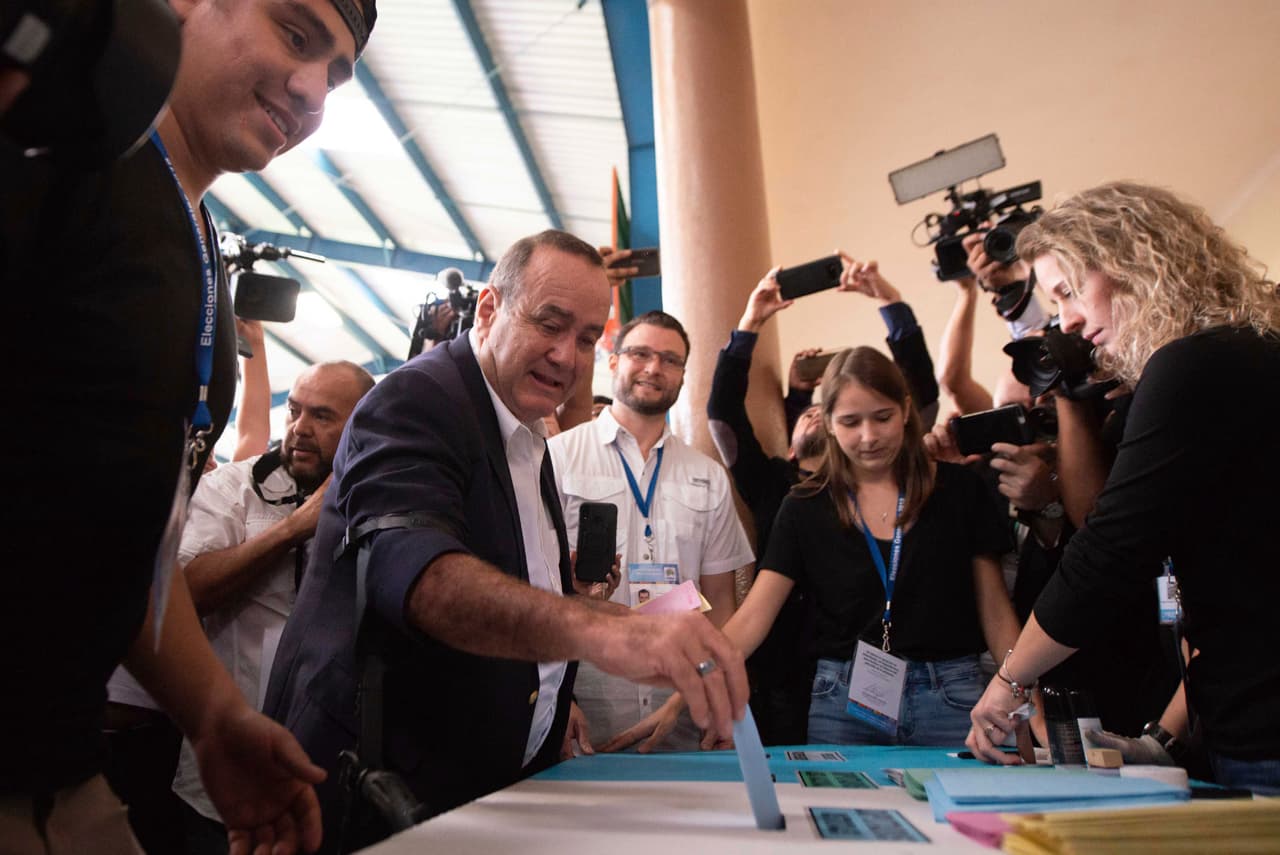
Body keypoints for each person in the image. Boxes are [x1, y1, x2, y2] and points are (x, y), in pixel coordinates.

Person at [0, 0, 377, 852]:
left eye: (338, 73)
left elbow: (126, 545)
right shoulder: (58, 152)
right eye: (295, 34)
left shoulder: (202, 247)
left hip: (65, 774)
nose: (314, 88)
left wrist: (212, 712)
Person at [263, 230, 748, 853]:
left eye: (584, 339)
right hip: (388, 792)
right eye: (550, 324)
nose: (568, 358)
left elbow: (530, 589)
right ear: (489, 309)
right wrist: (608, 633)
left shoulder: (525, 436)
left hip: (489, 783)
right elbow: (420, 577)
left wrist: (566, 676)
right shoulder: (417, 400)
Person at [966, 181, 1280, 794]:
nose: (1068, 322)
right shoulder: (1249, 350)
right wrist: (1163, 739)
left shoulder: (1190, 364)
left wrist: (1010, 681)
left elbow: (1109, 549)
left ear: (1134, 262)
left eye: (1069, 291)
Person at [664, 347, 1020, 747]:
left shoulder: (959, 490)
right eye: (850, 422)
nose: (868, 437)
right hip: (843, 699)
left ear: (905, 410)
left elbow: (995, 611)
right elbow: (753, 618)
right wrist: (688, 690)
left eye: (882, 417)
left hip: (952, 695)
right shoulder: (803, 506)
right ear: (828, 423)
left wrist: (1024, 693)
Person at [705, 260, 939, 745]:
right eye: (807, 409)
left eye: (868, 418)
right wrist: (751, 323)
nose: (865, 433)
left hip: (896, 666)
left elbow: (923, 400)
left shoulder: (898, 473)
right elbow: (723, 416)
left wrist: (889, 302)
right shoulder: (775, 485)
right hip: (793, 673)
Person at [174, 361, 374, 852]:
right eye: (295, 411)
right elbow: (186, 589)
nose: (300, 429)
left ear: (364, 425)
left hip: (331, 769)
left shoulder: (380, 500)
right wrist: (294, 528)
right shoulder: (235, 489)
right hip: (225, 775)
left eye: (323, 416)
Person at [548, 311, 755, 753]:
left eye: (669, 360)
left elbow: (720, 602)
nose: (653, 368)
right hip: (583, 703)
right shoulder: (557, 458)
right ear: (614, 361)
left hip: (680, 704)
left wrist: (707, 697)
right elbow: (530, 587)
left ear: (682, 374)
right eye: (640, 353)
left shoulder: (708, 476)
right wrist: (557, 697)